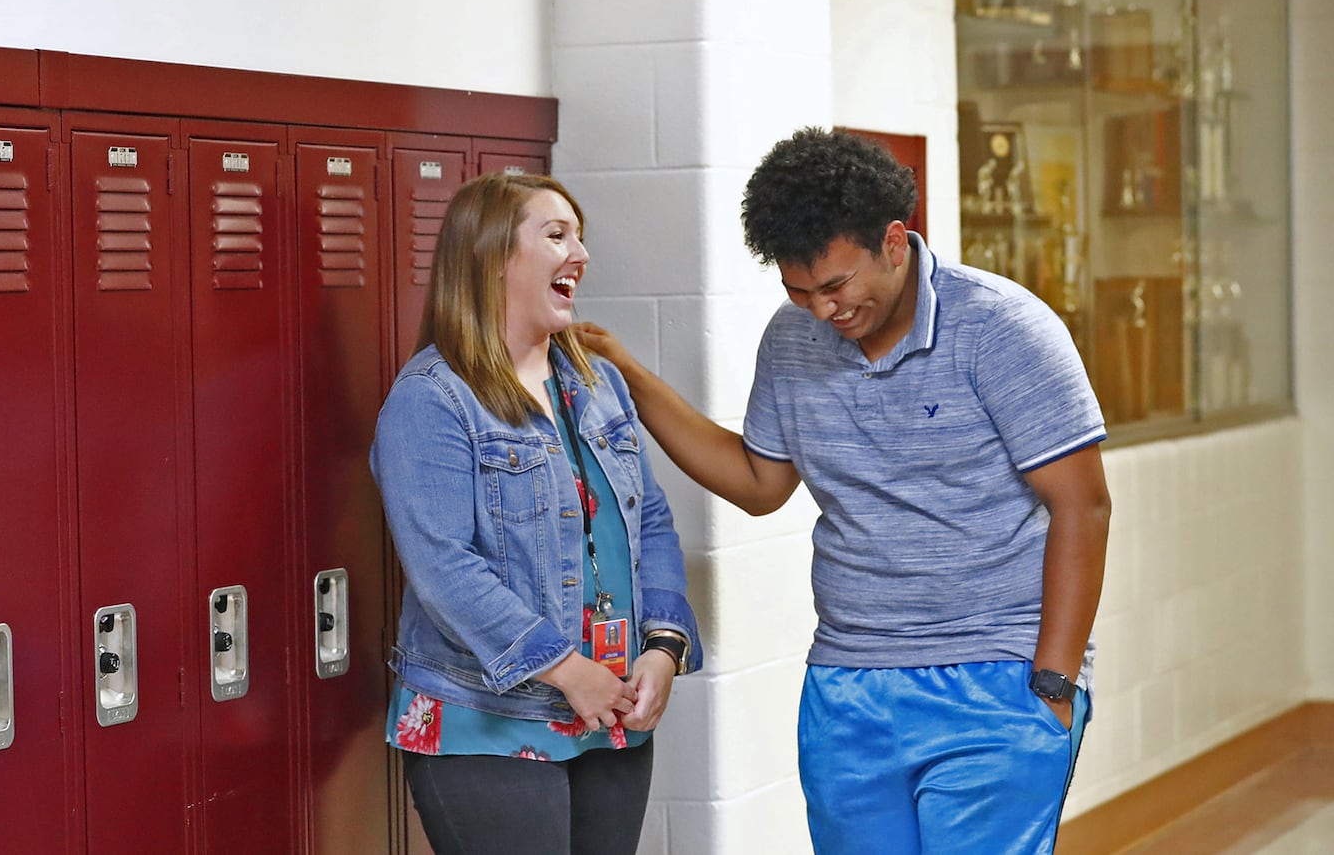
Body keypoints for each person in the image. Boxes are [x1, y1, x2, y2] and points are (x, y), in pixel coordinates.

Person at [576, 127, 1110, 853]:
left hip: (997, 676)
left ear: (895, 242)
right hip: (850, 681)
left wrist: (1051, 683)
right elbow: (760, 483)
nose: (823, 311)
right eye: (799, 291)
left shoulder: (999, 327)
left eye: (835, 286)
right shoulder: (793, 339)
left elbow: (1082, 505)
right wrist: (625, 372)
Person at [370, 171, 702, 855]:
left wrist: (663, 648)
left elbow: (653, 522)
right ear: (492, 255)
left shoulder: (594, 379)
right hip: (488, 719)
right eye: (557, 235)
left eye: (580, 236)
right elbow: (442, 567)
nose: (579, 253)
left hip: (609, 708)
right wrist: (563, 668)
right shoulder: (433, 398)